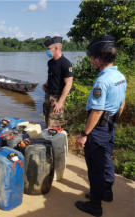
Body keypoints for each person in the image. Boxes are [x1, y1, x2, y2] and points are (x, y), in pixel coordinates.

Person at [75, 35, 126, 216]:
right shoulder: (120, 76)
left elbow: (96, 112)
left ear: (97, 59)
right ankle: (106, 192)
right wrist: (111, 121)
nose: (92, 62)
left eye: (92, 59)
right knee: (106, 161)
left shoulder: (102, 81)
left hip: (99, 128)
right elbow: (122, 103)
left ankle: (95, 205)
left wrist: (84, 134)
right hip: (110, 126)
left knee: (95, 168)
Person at [42, 36, 73, 127]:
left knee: (54, 126)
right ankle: (47, 140)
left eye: (48, 49)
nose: (47, 51)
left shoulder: (65, 63)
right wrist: (46, 85)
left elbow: (69, 84)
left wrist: (60, 102)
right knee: (47, 122)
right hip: (48, 96)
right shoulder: (50, 62)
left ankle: (56, 141)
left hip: (57, 97)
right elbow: (51, 76)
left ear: (56, 48)